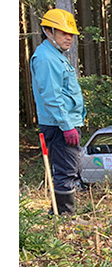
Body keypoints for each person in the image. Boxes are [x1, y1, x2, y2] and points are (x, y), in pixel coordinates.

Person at [30, 8, 85, 216]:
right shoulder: (45, 58)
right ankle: (66, 218)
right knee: (66, 171)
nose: (69, 38)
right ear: (48, 31)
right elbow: (51, 97)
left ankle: (59, 213)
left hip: (65, 123)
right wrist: (67, 125)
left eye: (71, 34)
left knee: (69, 168)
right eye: (63, 33)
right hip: (59, 125)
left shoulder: (56, 55)